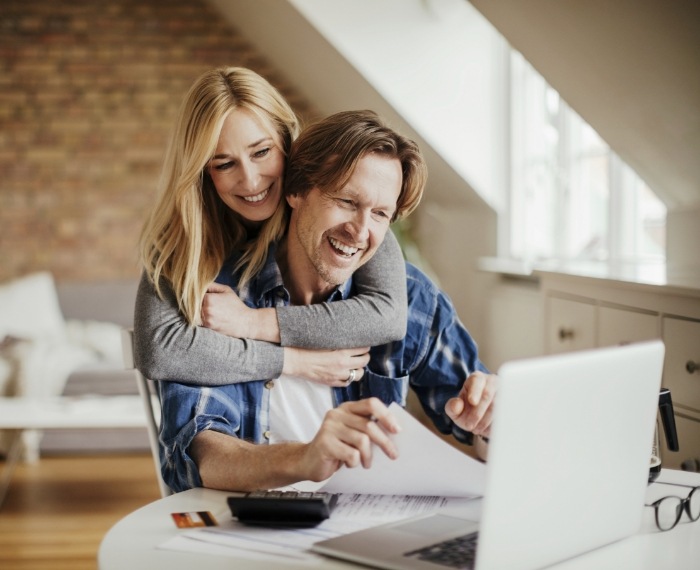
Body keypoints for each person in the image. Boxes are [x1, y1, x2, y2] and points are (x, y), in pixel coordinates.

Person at [158, 110, 496, 493]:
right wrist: (303, 458)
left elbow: (478, 427)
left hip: (369, 526)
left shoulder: (411, 297)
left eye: (380, 214)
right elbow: (201, 454)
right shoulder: (220, 300)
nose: (360, 231)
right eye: (347, 201)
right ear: (295, 191)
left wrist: (489, 423)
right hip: (253, 528)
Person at [134, 67, 409, 388]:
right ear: (202, 172)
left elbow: (387, 316)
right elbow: (160, 350)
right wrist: (294, 361)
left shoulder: (334, 207)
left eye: (261, 152)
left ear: (285, 140)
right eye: (224, 163)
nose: (251, 181)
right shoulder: (182, 237)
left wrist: (252, 323)